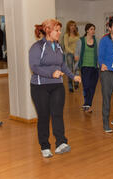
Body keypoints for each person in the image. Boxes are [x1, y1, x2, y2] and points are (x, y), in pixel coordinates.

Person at [29, 19, 81, 158]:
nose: (59, 33)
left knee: (57, 114)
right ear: (48, 30)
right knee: (44, 116)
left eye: (59, 30)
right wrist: (51, 73)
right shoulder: (37, 47)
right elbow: (34, 67)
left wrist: (72, 76)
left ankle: (60, 143)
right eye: (56, 30)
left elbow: (62, 65)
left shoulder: (58, 46)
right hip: (40, 86)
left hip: (57, 85)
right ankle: (45, 146)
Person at [75, 23, 99, 112]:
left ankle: (88, 104)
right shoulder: (81, 40)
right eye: (92, 29)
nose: (93, 31)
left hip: (94, 67)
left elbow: (98, 53)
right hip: (85, 67)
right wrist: (76, 56)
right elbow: (76, 52)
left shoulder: (96, 41)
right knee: (86, 86)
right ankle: (87, 103)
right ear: (87, 30)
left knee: (93, 87)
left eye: (94, 29)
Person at [64, 20, 80, 92]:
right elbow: (66, 47)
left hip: (77, 54)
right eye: (71, 25)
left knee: (77, 69)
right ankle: (70, 86)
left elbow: (79, 44)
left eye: (74, 25)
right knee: (70, 70)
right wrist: (73, 53)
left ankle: (76, 83)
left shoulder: (77, 34)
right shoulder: (66, 35)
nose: (73, 27)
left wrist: (77, 53)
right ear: (68, 26)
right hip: (69, 54)